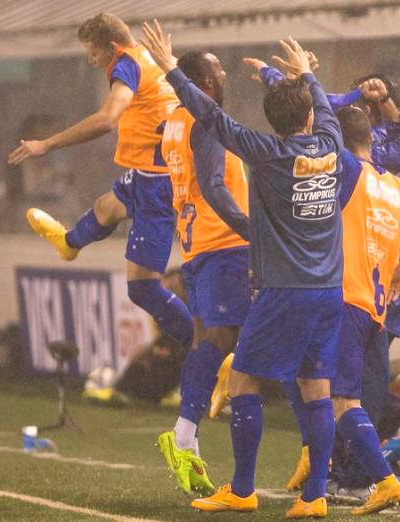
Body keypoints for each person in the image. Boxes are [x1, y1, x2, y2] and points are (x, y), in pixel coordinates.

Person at [141, 21, 343, 518]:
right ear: (313, 116)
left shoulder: (270, 155)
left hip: (284, 291)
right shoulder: (331, 143)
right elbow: (327, 110)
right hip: (329, 289)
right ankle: (315, 496)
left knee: (242, 382)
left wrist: (170, 69)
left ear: (272, 124)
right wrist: (305, 75)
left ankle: (243, 488)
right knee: (317, 388)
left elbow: (212, 118)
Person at [10, 13, 192, 351]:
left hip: (158, 182)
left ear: (111, 47)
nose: (91, 61)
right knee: (106, 207)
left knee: (143, 288)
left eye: (92, 53)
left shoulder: (127, 64)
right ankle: (69, 243)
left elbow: (108, 119)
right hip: (155, 171)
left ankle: (209, 349)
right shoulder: (152, 58)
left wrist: (46, 144)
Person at [324, 105, 400, 514]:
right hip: (378, 308)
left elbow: (323, 125)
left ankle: (379, 480)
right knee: (363, 397)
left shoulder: (348, 173)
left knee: (340, 398)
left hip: (344, 298)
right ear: (372, 140)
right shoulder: (398, 187)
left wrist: (304, 78)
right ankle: (350, 476)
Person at [153, 50, 252, 497]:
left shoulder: (173, 121)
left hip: (194, 247)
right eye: (218, 68)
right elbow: (213, 185)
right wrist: (251, 229)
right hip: (223, 244)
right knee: (228, 339)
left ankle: (187, 436)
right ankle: (186, 432)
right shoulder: (204, 120)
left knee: (210, 341)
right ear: (204, 81)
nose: (225, 72)